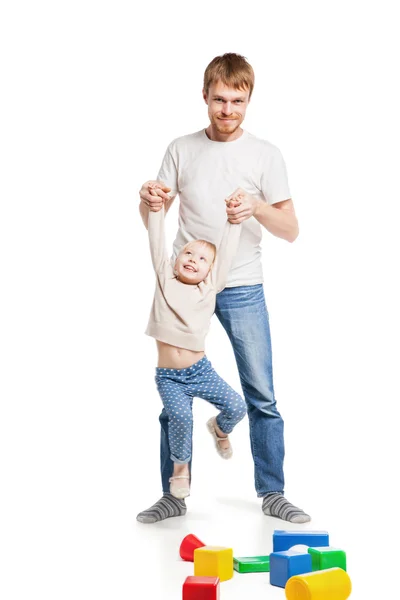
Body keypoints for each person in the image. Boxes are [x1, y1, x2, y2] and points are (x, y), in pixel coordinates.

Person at [137, 52, 311, 524]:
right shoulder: (181, 148)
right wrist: (148, 199)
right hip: (185, 285)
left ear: (249, 99)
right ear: (205, 96)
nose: (228, 110)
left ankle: (272, 492)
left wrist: (255, 206)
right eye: (219, 99)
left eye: (237, 100)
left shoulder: (265, 155)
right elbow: (156, 213)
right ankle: (173, 494)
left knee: (261, 394)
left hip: (241, 285)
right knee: (172, 392)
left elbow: (291, 229)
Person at [145, 185, 247, 499]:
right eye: (188, 253)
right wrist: (156, 210)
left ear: (209, 271)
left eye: (202, 259)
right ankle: (180, 470)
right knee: (180, 416)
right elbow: (156, 240)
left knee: (237, 407)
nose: (193, 259)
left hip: (200, 371)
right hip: (170, 377)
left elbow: (226, 253)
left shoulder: (209, 288)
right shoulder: (165, 277)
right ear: (176, 261)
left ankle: (219, 428)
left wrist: (233, 221)